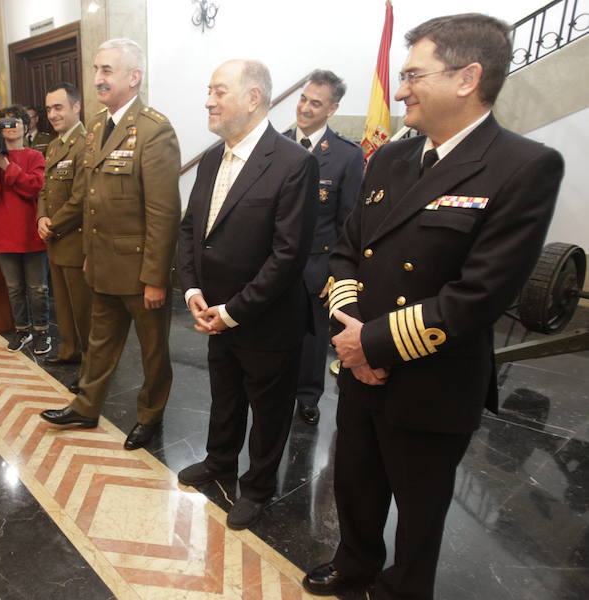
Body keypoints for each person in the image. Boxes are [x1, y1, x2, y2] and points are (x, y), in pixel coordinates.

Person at [302, 14, 565, 600]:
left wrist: (367, 344)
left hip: (432, 378)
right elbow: (348, 248)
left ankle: (402, 587)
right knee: (355, 483)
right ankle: (356, 564)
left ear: (468, 77)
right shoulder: (392, 158)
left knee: (420, 508)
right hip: (361, 365)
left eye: (413, 74)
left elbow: (480, 295)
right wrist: (352, 332)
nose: (399, 91)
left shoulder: (524, 166)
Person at [176, 59, 318, 529]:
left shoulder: (294, 163)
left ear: (253, 98)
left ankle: (257, 487)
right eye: (208, 90)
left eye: (219, 91)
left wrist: (233, 311)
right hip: (213, 313)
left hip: (267, 320)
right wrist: (193, 287)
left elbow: (288, 255)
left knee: (269, 411)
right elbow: (193, 228)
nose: (208, 101)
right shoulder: (213, 157)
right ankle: (219, 464)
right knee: (225, 397)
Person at [39, 38, 181, 452]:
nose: (98, 78)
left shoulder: (155, 130)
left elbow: (163, 213)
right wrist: (88, 256)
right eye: (97, 69)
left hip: (140, 271)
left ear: (133, 78)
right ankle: (86, 406)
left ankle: (150, 416)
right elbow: (91, 201)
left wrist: (155, 277)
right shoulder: (98, 127)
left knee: (153, 352)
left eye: (107, 71)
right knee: (100, 341)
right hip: (101, 264)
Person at [284, 70, 365, 426]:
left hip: (317, 264)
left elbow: (349, 220)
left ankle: (306, 396)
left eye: (315, 103)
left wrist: (336, 272)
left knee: (313, 339)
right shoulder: (277, 144)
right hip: (274, 261)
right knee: (271, 332)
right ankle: (273, 389)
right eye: (303, 98)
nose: (305, 107)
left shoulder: (347, 156)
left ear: (332, 109)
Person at [0, 105, 51, 354]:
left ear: (25, 127)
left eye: (15, 122)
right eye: (4, 123)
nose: (10, 127)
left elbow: (34, 187)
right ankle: (22, 330)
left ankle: (42, 332)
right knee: (15, 288)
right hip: (3, 230)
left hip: (32, 230)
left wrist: (5, 164)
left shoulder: (35, 156)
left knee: (38, 289)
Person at [37, 82, 91, 388]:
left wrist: (53, 223)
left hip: (75, 241)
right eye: (48, 109)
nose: (53, 114)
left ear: (76, 106)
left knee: (84, 310)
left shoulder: (86, 144)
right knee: (64, 306)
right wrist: (41, 216)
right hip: (55, 239)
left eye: (59, 107)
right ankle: (69, 350)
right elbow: (45, 189)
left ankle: (91, 367)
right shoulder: (55, 146)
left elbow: (82, 197)